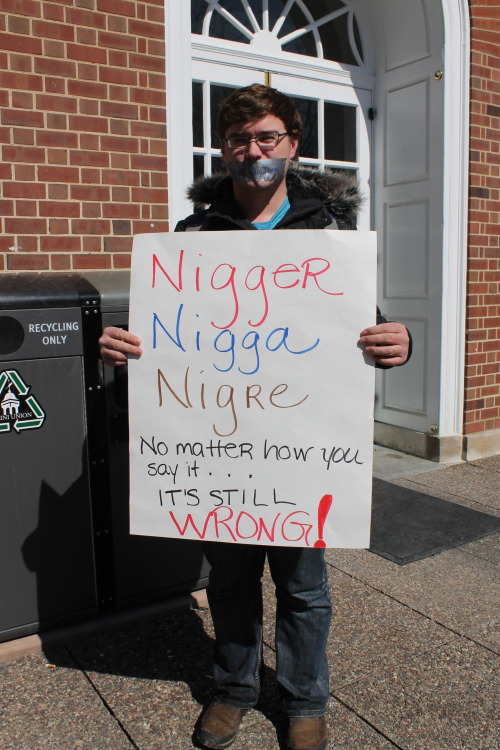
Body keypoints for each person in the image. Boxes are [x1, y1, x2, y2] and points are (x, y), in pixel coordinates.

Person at [99, 85, 410, 750]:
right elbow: (162, 336)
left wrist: (396, 344)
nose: (253, 150)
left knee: (304, 587)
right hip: (221, 450)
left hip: (299, 448)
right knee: (233, 580)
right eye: (239, 139)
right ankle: (235, 689)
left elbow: (366, 332)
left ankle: (304, 700)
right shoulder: (193, 237)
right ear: (224, 149)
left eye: (267, 137)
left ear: (293, 146)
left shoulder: (329, 235)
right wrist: (124, 348)